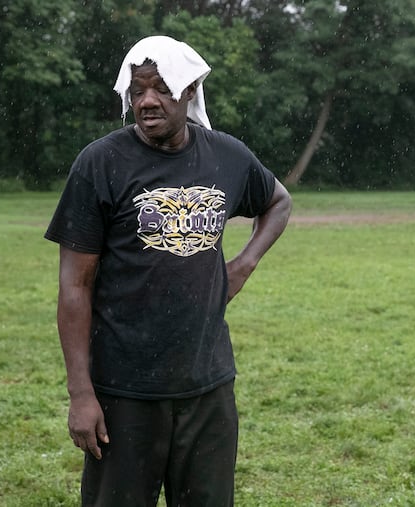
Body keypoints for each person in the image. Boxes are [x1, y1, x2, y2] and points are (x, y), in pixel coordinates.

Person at [45, 35, 292, 506]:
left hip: (207, 386)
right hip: (124, 394)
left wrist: (243, 265)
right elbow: (74, 286)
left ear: (190, 90)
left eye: (161, 88)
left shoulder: (226, 156)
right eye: (137, 90)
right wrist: (81, 394)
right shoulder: (100, 163)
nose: (147, 101)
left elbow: (278, 202)